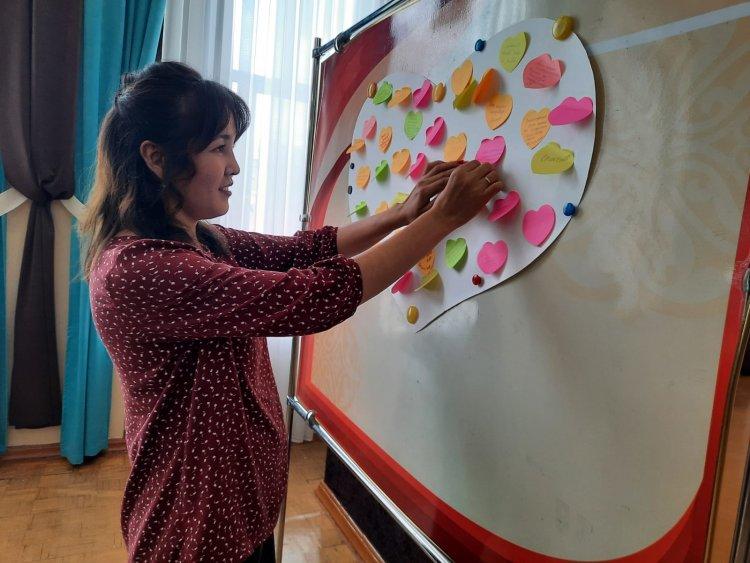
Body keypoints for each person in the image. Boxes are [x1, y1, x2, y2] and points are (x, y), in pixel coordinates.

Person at [81, 61, 503, 562]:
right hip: (195, 531)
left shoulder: (200, 239)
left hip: (239, 513)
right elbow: (315, 296)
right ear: (156, 158)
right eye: (219, 148)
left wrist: (404, 213)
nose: (234, 167)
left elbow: (304, 251)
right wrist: (441, 221)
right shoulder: (138, 269)